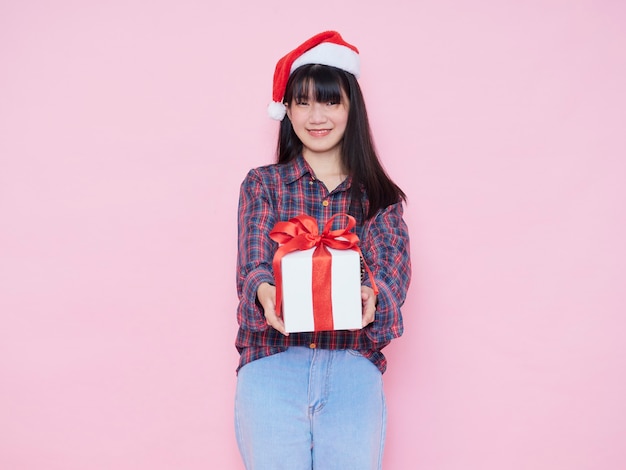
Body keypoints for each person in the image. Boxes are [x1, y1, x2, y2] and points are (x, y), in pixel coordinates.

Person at [234, 31, 411, 470]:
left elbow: (392, 271)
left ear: (352, 109)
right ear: (288, 111)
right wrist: (263, 291)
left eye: (330, 101)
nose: (317, 116)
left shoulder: (380, 197)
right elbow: (253, 261)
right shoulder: (262, 185)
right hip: (272, 366)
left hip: (352, 367)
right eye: (303, 102)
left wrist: (373, 297)